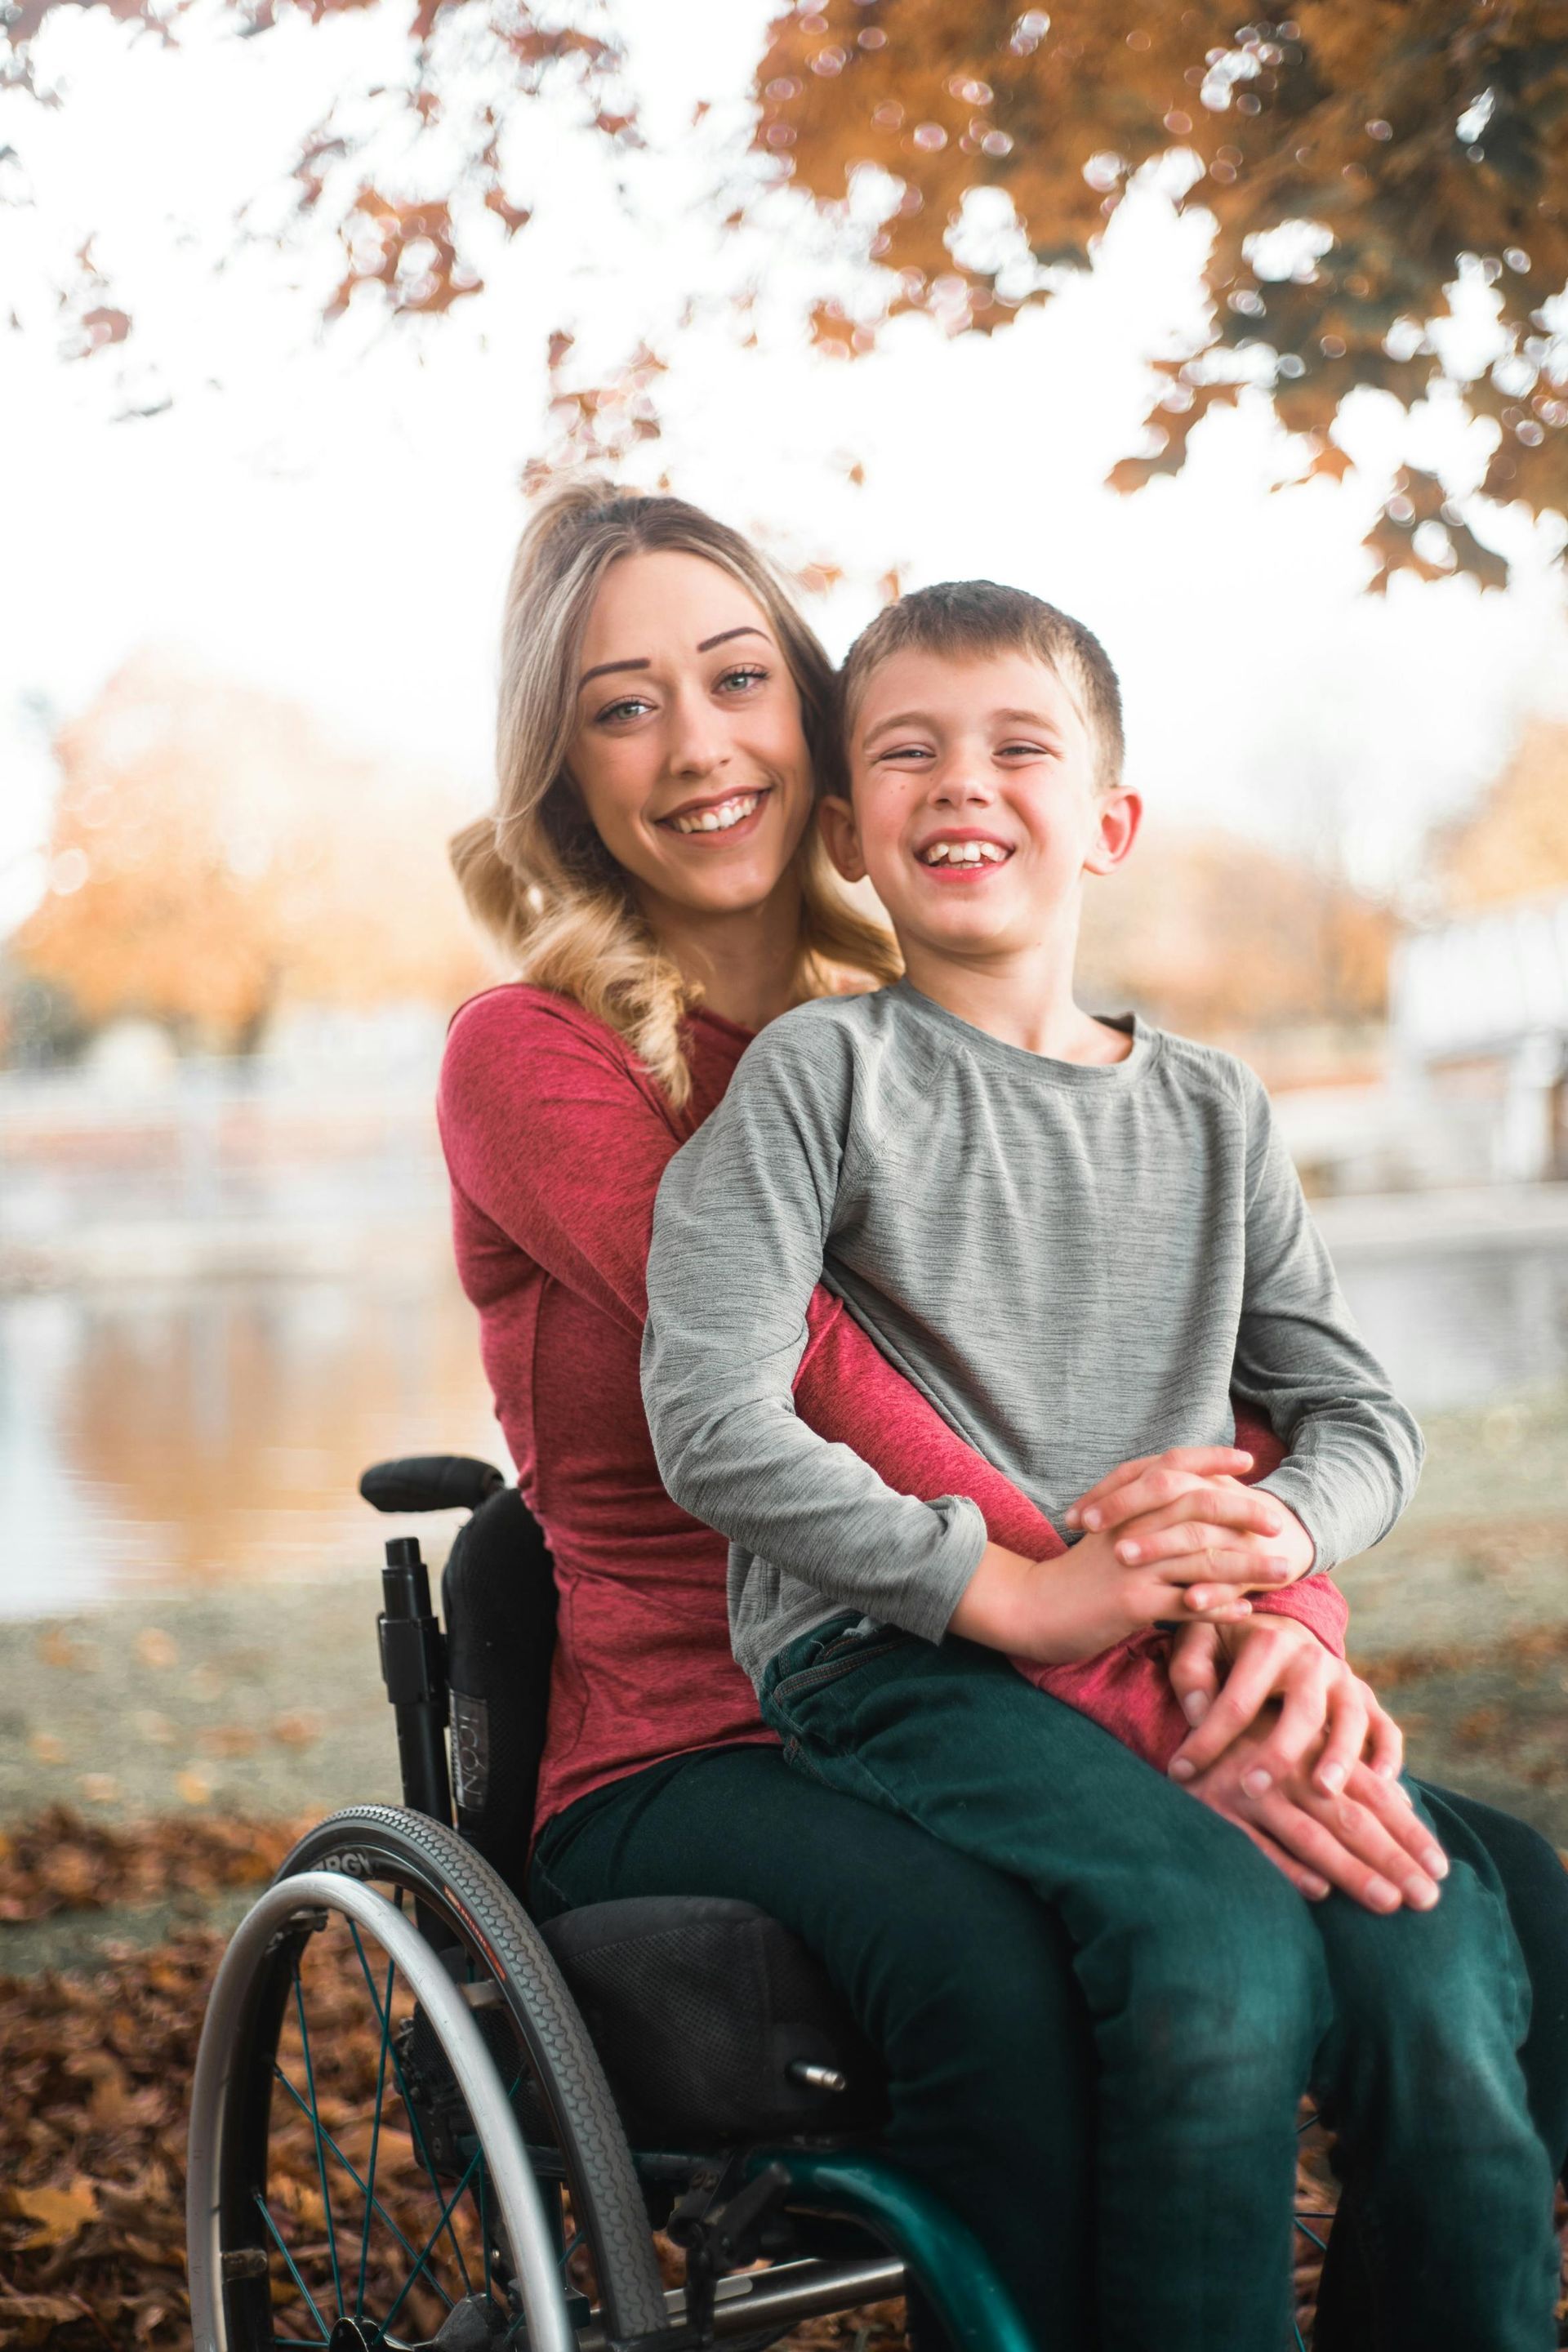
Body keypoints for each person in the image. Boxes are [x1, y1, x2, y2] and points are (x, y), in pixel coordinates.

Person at [439, 483, 1568, 2350]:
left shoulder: (952, 1014)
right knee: (1007, 1976)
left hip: (1037, 1671)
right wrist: (1147, 1643)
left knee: (1498, 1887)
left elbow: (1241, 1405)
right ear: (563, 771)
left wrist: (1274, 1632)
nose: (698, 738)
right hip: (721, 1726)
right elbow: (820, 1389)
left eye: (737, 679)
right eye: (625, 704)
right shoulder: (573, 1059)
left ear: (815, 753)